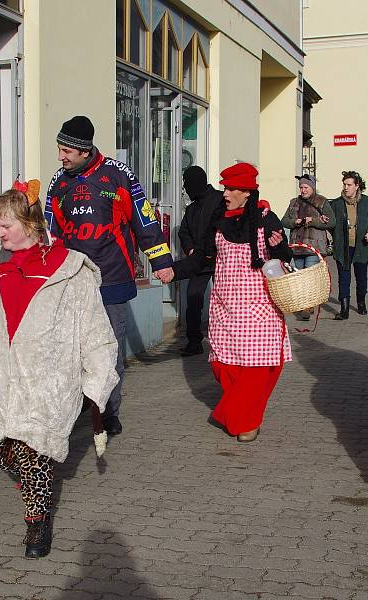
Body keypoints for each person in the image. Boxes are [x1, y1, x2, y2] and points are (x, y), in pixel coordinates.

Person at [0, 181, 118, 558]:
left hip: (46, 379)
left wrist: (96, 378)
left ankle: (38, 525)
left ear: (32, 225)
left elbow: (95, 329)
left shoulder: (69, 268)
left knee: (33, 450)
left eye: (6, 225)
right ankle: (38, 484)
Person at [45, 116, 174, 436]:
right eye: (59, 149)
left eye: (65, 151)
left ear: (84, 150)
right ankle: (77, 408)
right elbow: (50, 233)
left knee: (110, 352)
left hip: (112, 280)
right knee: (72, 353)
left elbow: (144, 219)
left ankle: (108, 411)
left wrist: (161, 260)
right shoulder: (58, 183)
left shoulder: (119, 175)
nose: (60, 157)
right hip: (72, 282)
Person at [162, 162, 292, 443]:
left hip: (260, 308)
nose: (226, 193)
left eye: (232, 189)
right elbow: (202, 259)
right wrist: (175, 270)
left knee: (257, 370)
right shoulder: (218, 219)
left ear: (247, 192)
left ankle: (245, 419)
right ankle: (241, 412)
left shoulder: (267, 218)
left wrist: (279, 246)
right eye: (225, 188)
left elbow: (284, 256)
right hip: (225, 307)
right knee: (225, 368)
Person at [178, 166, 223, 356]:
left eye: (186, 183)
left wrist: (214, 250)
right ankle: (194, 341)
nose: (185, 188)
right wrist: (191, 250)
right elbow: (184, 232)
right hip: (199, 261)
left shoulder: (221, 200)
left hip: (222, 260)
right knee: (193, 299)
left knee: (224, 300)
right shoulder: (191, 209)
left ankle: (223, 340)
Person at [280, 174, 333, 321]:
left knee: (309, 276)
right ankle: (304, 303)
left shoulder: (322, 202)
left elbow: (331, 222)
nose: (303, 190)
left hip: (314, 246)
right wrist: (294, 222)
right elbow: (284, 220)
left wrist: (314, 221)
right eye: (301, 187)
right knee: (299, 276)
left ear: (312, 188)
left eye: (306, 187)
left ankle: (307, 306)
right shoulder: (294, 202)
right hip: (297, 246)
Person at [327, 171, 368, 320]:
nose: (346, 187)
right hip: (343, 246)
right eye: (344, 184)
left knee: (361, 277)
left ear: (357, 186)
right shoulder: (336, 204)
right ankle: (344, 310)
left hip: (361, 245)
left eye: (349, 185)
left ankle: (361, 303)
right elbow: (330, 222)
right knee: (344, 278)